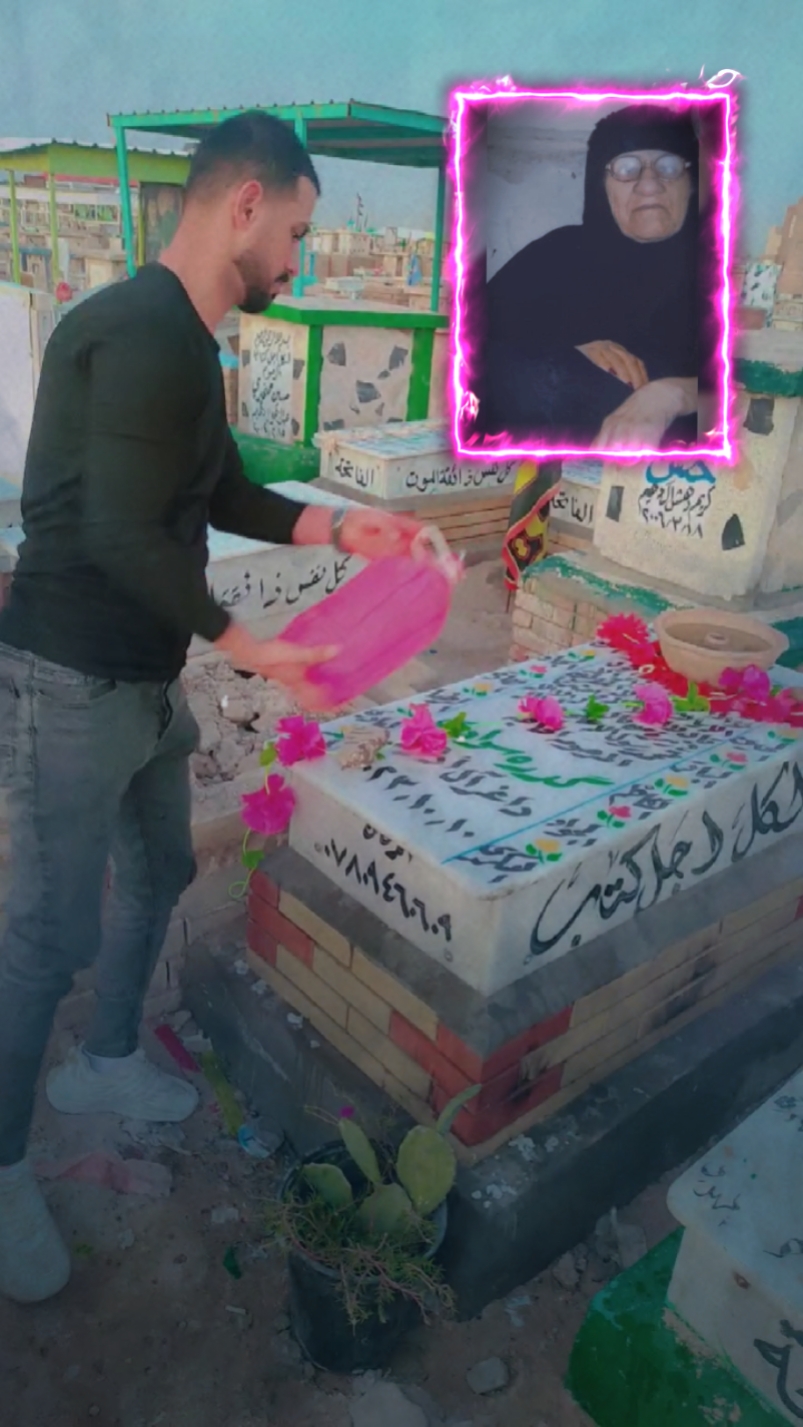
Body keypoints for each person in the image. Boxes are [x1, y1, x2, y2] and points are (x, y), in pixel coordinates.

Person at [0, 111, 424, 1305]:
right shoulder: (138, 331)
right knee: (44, 936)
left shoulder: (182, 339)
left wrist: (345, 525)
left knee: (160, 865)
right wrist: (254, 648)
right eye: (296, 230)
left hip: (142, 683)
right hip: (73, 680)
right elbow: (121, 533)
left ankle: (108, 1057)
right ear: (245, 203)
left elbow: (219, 487)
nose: (298, 257)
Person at [475, 103, 716, 451]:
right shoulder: (555, 256)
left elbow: (741, 392)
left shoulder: (715, 277)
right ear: (600, 184)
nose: (649, 185)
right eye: (627, 169)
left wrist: (674, 395)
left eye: (668, 166)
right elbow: (473, 350)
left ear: (690, 183)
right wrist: (563, 353)